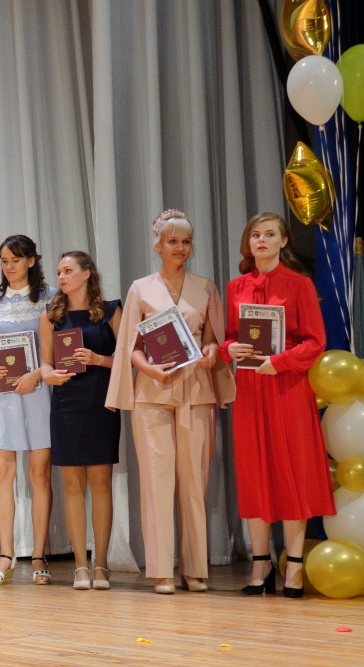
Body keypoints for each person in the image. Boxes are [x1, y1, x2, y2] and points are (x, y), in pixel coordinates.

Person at [106, 210, 235, 594]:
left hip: (197, 393)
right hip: (153, 395)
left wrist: (211, 353)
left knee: (195, 483)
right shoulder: (140, 289)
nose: (180, 248)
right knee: (156, 483)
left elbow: (214, 340)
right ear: (158, 245)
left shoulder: (205, 287)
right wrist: (148, 368)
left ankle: (194, 569)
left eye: (186, 242)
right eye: (173, 241)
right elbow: (130, 345)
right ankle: (161, 570)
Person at [220, 212, 335, 598]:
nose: (261, 240)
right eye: (255, 234)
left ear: (284, 241)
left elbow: (315, 341)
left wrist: (280, 362)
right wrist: (230, 349)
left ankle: (294, 567)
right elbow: (229, 337)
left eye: (270, 234)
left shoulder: (299, 284)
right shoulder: (236, 286)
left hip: (287, 387)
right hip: (251, 389)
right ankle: (261, 564)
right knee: (255, 473)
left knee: (292, 473)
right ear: (248, 242)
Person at [39, 251, 121, 590]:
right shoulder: (52, 315)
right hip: (67, 403)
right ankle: (80, 566)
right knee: (72, 485)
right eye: (59, 272)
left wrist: (98, 359)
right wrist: (49, 375)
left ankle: (101, 565)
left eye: (68, 270)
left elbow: (128, 358)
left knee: (101, 483)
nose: (61, 277)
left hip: (101, 402)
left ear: (87, 274)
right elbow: (45, 363)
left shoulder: (111, 310)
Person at [0, 236, 56, 585]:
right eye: (4, 260)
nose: (9, 266)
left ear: (30, 261)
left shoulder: (50, 297)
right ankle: (6, 554)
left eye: (15, 260)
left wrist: (36, 374)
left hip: (38, 391)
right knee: (1, 470)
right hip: (4, 392)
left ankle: (38, 555)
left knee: (39, 472)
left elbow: (56, 350)